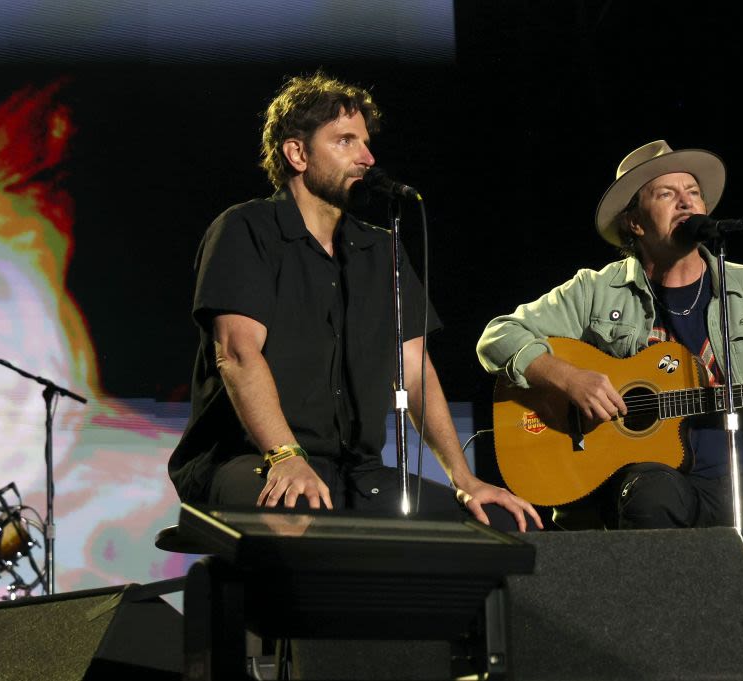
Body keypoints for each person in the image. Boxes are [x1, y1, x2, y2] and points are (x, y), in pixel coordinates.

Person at [476, 141, 743, 678]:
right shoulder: (597, 290)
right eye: (667, 193)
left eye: (693, 192)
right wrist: (568, 376)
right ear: (634, 222)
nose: (686, 201)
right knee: (652, 496)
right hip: (658, 485)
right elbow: (497, 337)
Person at [168, 73, 540, 532]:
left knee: (498, 523)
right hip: (254, 459)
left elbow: (416, 369)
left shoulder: (381, 249)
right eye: (345, 141)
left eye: (365, 142)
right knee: (297, 511)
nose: (367, 158)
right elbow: (238, 353)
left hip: (356, 474)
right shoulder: (247, 230)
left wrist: (464, 479)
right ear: (297, 153)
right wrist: (287, 456)